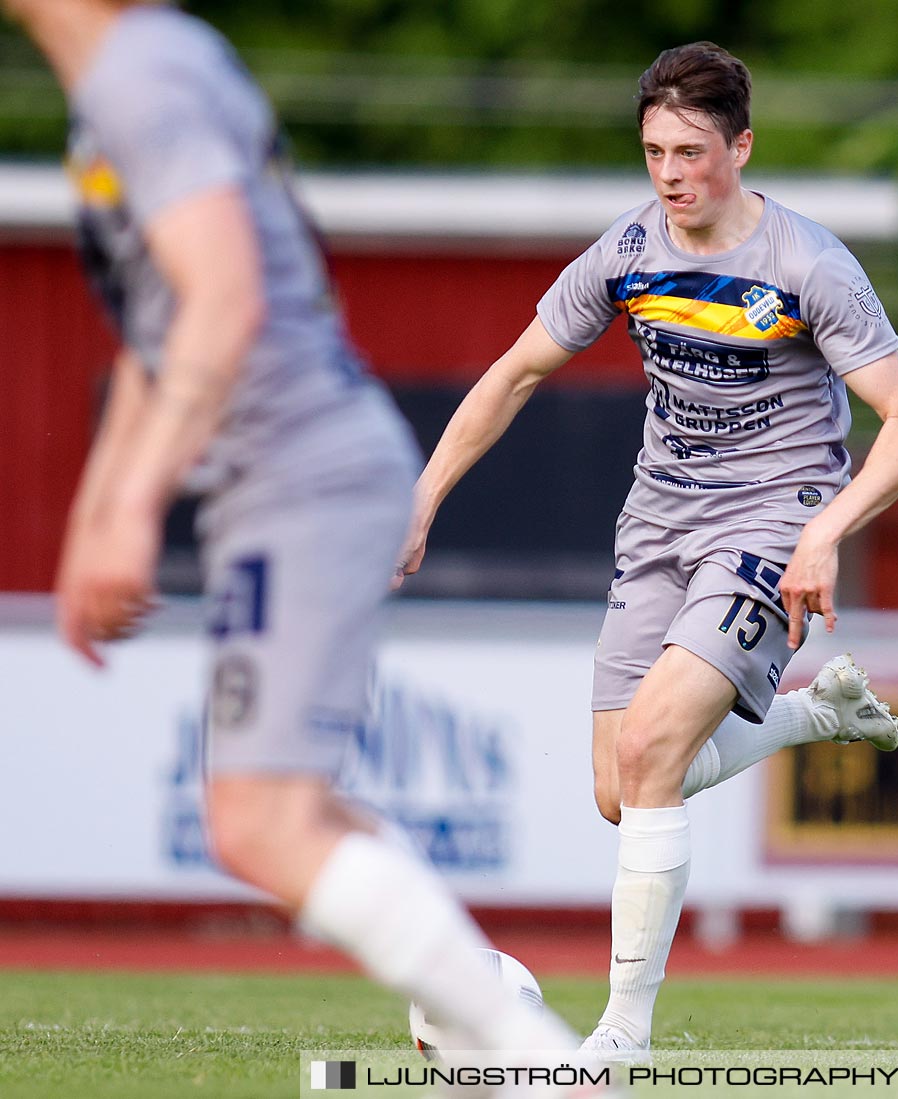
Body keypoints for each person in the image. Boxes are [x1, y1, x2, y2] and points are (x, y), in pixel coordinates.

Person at [11, 0, 582, 1080]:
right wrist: (99, 511)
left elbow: (223, 301)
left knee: (259, 819)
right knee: (281, 808)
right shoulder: (130, 81)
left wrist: (133, 506)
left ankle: (548, 1063)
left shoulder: (139, 78)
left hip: (299, 468)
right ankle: (487, 1005)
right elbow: (160, 323)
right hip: (289, 470)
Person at [396, 42, 898, 1056]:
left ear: (741, 146)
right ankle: (811, 714)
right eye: (653, 153)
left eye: (691, 152)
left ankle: (622, 1038)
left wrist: (822, 532)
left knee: (652, 754)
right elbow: (515, 372)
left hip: (774, 519)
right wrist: (421, 496)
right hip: (658, 522)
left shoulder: (809, 264)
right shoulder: (626, 252)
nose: (670, 175)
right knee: (621, 787)